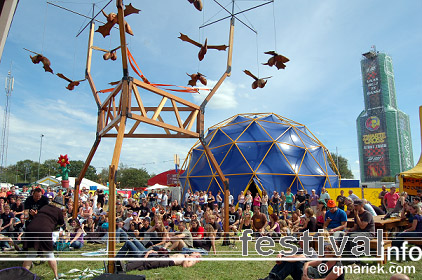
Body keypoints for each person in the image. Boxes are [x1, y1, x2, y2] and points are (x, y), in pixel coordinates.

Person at [22, 201, 64, 280]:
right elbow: (61, 223)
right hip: (45, 230)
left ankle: (22, 276)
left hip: (31, 228)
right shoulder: (58, 211)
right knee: (49, 254)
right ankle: (56, 276)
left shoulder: (44, 207)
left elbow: (39, 218)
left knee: (30, 255)